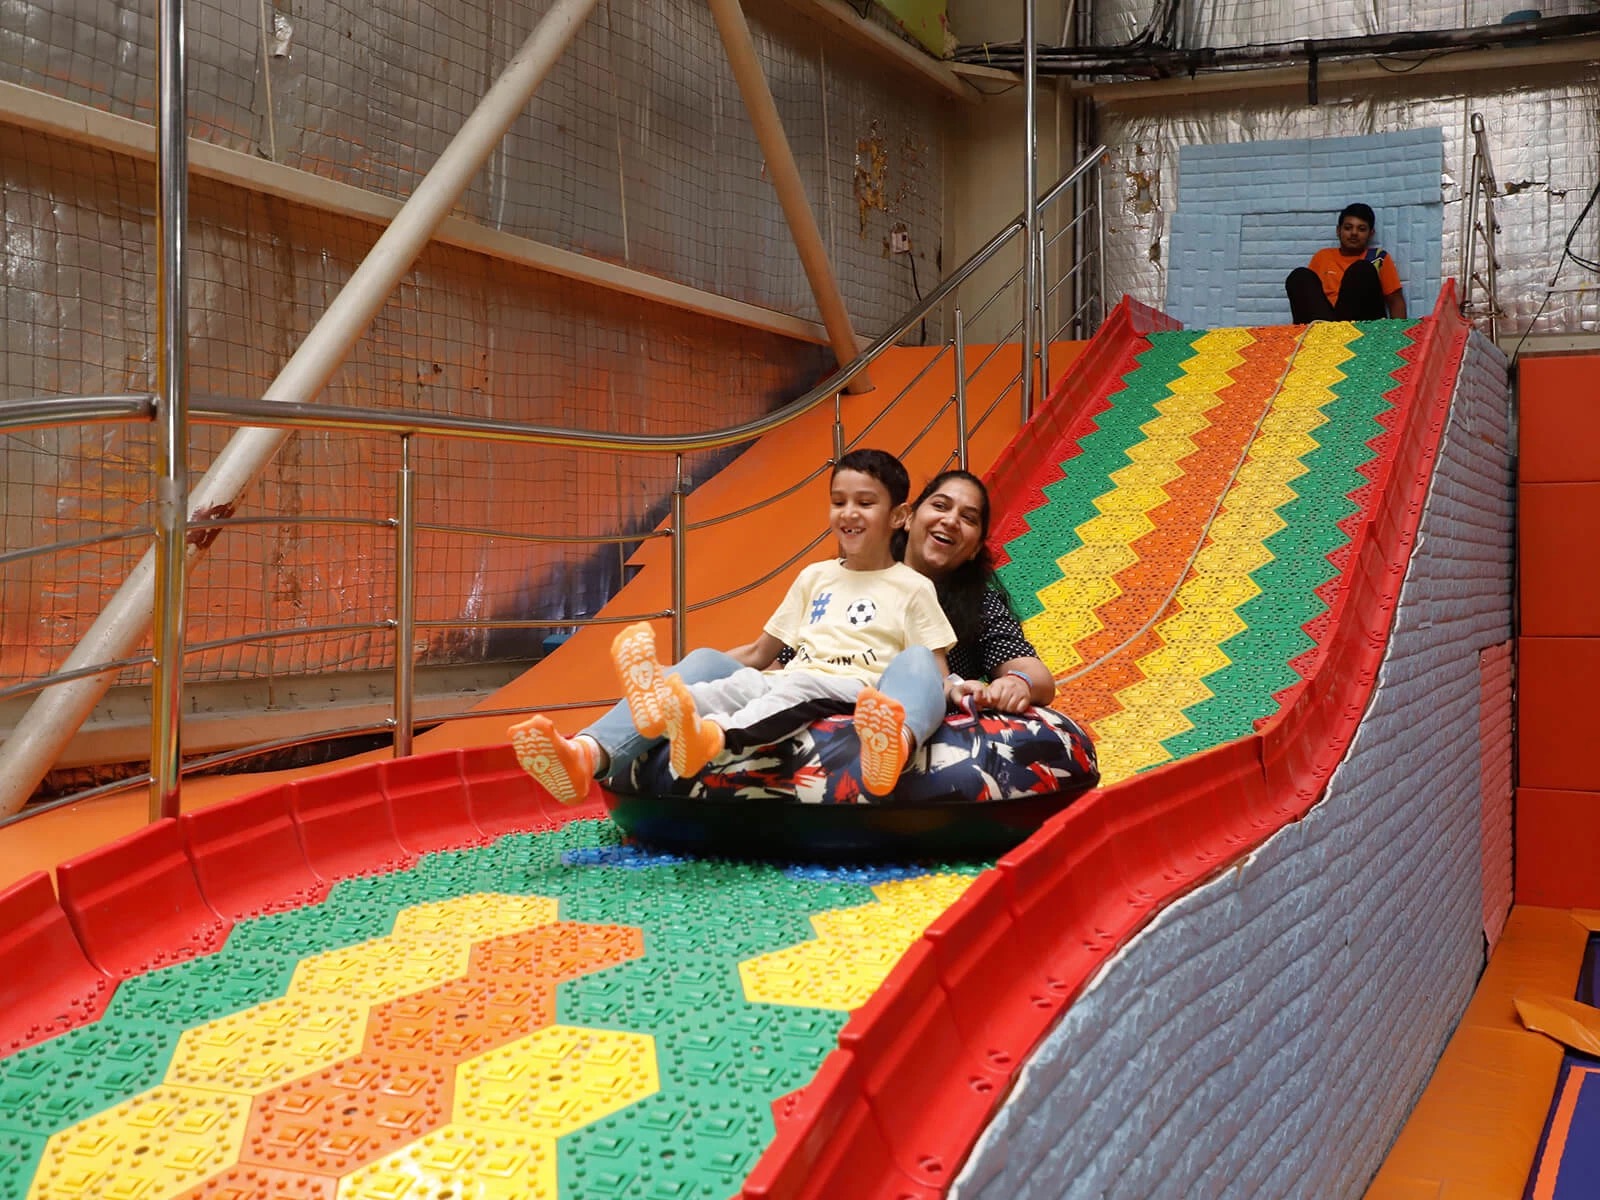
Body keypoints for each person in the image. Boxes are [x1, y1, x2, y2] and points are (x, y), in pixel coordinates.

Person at [512, 448, 957, 800]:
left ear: (899, 516)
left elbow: (931, 672)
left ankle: (726, 737)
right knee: (725, 686)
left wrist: (957, 691)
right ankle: (582, 756)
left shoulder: (912, 586)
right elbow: (759, 654)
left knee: (815, 685)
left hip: (854, 688)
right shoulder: (814, 577)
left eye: (865, 502)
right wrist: (670, 681)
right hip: (795, 677)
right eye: (838, 502)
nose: (848, 513)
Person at [1285, 203, 1407, 323]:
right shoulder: (1322, 256)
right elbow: (1310, 298)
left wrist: (1399, 337)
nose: (1354, 233)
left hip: (1362, 325)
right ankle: (1327, 335)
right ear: (1338, 231)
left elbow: (1395, 301)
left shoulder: (1378, 258)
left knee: (1361, 270)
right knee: (1299, 276)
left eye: (1361, 229)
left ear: (1371, 233)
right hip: (1324, 326)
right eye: (1348, 228)